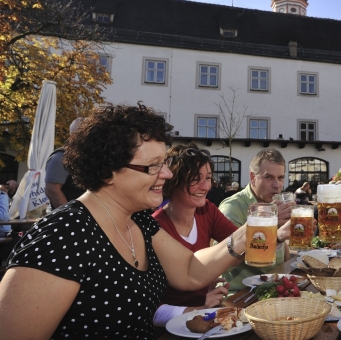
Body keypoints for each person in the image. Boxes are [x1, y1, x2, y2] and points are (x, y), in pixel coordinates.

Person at [0, 103, 248, 340]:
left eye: (165, 163)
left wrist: (253, 230)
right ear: (108, 171)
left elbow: (189, 271)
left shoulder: (139, 220)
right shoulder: (61, 235)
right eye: (153, 166)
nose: (168, 173)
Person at [151, 143, 291, 328]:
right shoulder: (154, 227)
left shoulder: (207, 210)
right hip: (178, 325)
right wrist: (198, 308)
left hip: (211, 312)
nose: (205, 186)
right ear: (174, 179)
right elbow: (147, 309)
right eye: (195, 178)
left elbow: (241, 249)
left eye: (208, 178)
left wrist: (277, 235)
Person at [218, 148, 294, 291]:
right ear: (253, 177)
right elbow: (222, 262)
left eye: (281, 178)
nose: (277, 185)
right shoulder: (233, 207)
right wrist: (272, 229)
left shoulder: (276, 205)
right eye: (269, 177)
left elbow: (282, 251)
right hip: (240, 294)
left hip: (273, 289)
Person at [44, 118, 86, 208]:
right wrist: (70, 214)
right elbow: (52, 190)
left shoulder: (87, 156)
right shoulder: (60, 157)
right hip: (74, 217)